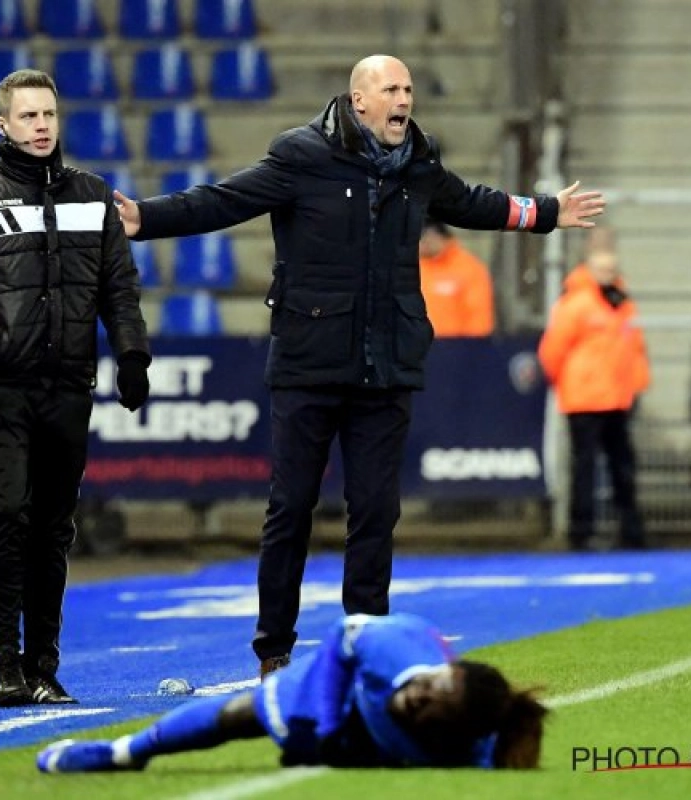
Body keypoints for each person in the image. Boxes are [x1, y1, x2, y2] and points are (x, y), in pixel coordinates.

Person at [112, 54, 605, 679]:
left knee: (375, 511)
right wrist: (146, 218)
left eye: (409, 89)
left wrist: (543, 213)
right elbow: (223, 200)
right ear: (359, 101)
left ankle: (366, 640)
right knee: (290, 508)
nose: (404, 100)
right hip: (308, 364)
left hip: (386, 365)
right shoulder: (301, 155)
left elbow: (472, 203)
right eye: (391, 89)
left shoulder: (417, 164)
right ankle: (275, 650)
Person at [0, 69, 152, 708]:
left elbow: (118, 289)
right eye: (28, 116)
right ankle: (4, 663)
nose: (41, 126)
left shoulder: (93, 194)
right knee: (8, 515)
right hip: (0, 387)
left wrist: (132, 353)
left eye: (48, 114)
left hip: (70, 385)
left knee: (54, 526)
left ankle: (44, 666)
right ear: (3, 126)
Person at [35, 612, 547, 772]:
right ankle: (123, 753)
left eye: (436, 705)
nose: (422, 694)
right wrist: (318, 727)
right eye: (433, 684)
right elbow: (342, 645)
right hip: (336, 697)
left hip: (374, 741)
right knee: (240, 716)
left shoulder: (468, 745)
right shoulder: (397, 647)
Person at [538, 238, 650, 551]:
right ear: (589, 268)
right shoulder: (576, 304)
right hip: (585, 400)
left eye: (611, 268)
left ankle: (630, 532)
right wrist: (569, 383)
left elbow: (635, 348)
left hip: (617, 398)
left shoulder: (622, 302)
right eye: (602, 267)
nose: (608, 273)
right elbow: (552, 350)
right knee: (585, 467)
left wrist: (636, 385)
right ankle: (581, 532)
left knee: (622, 467)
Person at [417, 220, 495, 337]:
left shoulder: (468, 267)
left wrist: (472, 346)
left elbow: (479, 314)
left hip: (457, 346)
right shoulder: (412, 267)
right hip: (416, 347)